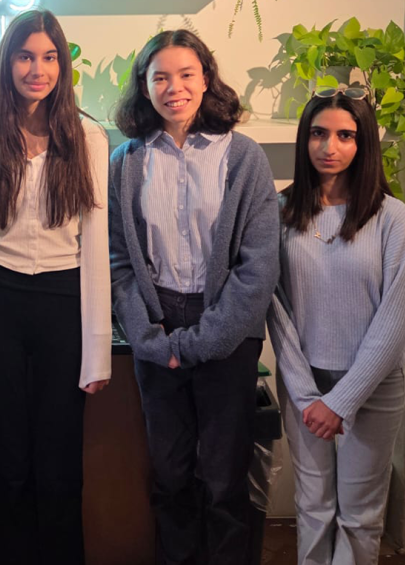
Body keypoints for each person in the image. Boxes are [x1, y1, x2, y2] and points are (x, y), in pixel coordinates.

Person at [108, 29, 280, 565]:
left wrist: (202, 341)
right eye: (160, 76)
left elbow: (258, 268)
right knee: (170, 471)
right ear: (144, 85)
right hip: (158, 326)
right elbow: (118, 261)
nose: (173, 87)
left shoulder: (244, 156)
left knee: (225, 476)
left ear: (207, 78)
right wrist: (149, 338)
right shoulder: (127, 161)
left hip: (226, 328)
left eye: (186, 74)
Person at [0, 8, 111, 565]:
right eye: (26, 56)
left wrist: (97, 352)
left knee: (59, 464)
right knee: (10, 463)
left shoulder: (88, 136)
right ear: (8, 63)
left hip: (62, 303)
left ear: (62, 64)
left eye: (49, 57)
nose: (38, 68)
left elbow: (95, 240)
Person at [269, 88, 405, 565]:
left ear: (363, 142)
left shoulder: (393, 219)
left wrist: (342, 401)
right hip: (305, 385)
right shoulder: (280, 211)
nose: (330, 147)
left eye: (345, 135)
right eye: (318, 133)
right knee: (313, 507)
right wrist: (309, 396)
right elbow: (277, 310)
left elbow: (395, 319)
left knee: (360, 516)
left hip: (372, 390)